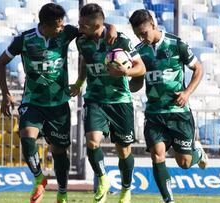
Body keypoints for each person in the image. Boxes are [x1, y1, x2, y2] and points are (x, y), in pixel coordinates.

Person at [0, 3, 117, 203]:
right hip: (33, 101)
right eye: (58, 26)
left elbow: (95, 25)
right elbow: (1, 63)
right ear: (46, 25)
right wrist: (5, 94)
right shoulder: (24, 40)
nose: (62, 28)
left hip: (59, 104)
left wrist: (111, 28)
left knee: (59, 151)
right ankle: (39, 178)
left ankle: (62, 192)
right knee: (26, 137)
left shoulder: (66, 33)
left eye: (62, 25)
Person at [128, 9, 209, 203]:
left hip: (178, 113)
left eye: (144, 32)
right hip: (155, 113)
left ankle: (196, 152)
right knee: (157, 155)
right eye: (138, 34)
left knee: (184, 163)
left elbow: (198, 68)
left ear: (153, 25)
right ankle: (168, 200)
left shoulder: (176, 44)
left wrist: (187, 92)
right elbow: (138, 83)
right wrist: (125, 77)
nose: (142, 37)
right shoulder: (139, 51)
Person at [70, 4, 146, 203]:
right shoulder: (81, 40)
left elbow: (141, 67)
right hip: (95, 99)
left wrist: (125, 72)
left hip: (120, 101)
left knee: (123, 150)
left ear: (96, 25)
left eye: (83, 24)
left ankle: (126, 189)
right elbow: (85, 61)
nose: (79, 26)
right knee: (93, 141)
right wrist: (80, 81)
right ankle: (103, 179)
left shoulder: (119, 40)